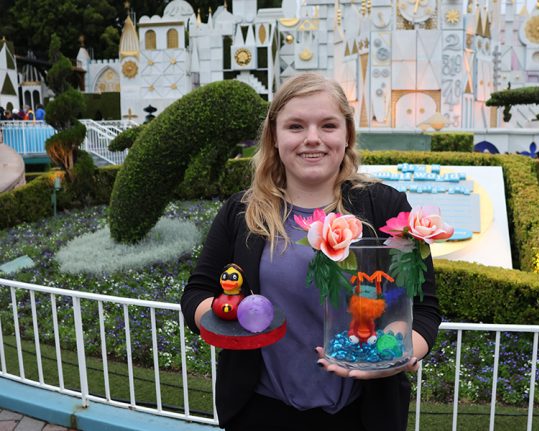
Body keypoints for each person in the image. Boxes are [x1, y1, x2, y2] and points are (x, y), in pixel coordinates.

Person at [181, 72, 441, 431]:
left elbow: (423, 307)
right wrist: (231, 313)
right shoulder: (243, 212)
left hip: (362, 415)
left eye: (328, 125)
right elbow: (196, 294)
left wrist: (399, 351)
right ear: (274, 136)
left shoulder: (384, 206)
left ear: (347, 134)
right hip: (259, 411)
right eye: (296, 126)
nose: (313, 139)